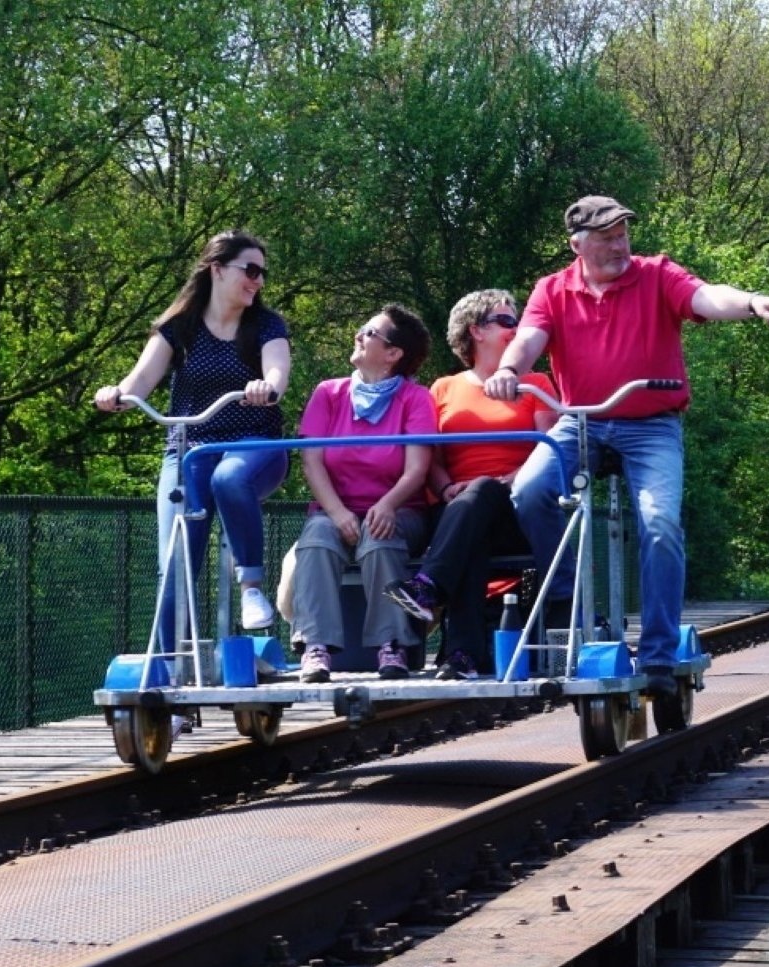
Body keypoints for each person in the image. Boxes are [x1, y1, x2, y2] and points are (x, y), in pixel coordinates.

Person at [484, 195, 769, 714]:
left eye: (623, 232)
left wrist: (752, 301)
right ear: (577, 244)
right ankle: (561, 593)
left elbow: (705, 297)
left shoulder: (656, 275)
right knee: (530, 489)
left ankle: (658, 657)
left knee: (659, 524)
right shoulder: (553, 290)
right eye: (606, 236)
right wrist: (510, 370)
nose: (619, 244)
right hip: (581, 420)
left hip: (650, 424)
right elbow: (529, 339)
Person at [94, 228, 291, 673]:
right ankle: (168, 668)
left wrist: (267, 387)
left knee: (229, 478)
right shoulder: (178, 327)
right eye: (251, 270)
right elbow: (140, 380)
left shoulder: (266, 326)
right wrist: (117, 394)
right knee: (176, 559)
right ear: (218, 270)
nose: (258, 281)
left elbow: (277, 372)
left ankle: (251, 586)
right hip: (190, 448)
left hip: (253, 443)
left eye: (263, 273)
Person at [383, 290, 558, 679]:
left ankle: (430, 586)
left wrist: (506, 480)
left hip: (515, 510)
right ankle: (462, 658)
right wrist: (446, 489)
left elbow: (550, 452)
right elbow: (432, 459)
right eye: (507, 321)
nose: (518, 330)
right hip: (455, 511)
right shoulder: (443, 388)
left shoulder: (534, 384)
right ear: (476, 331)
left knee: (481, 493)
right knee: (470, 528)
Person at [289, 305, 436, 683]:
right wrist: (337, 513)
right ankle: (315, 646)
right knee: (318, 537)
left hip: (398, 508)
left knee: (379, 535)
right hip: (335, 508)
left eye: (369, 332)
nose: (358, 334)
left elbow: (417, 468)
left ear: (393, 354)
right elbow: (312, 462)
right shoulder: (329, 394)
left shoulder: (414, 399)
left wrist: (387, 504)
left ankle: (392, 644)